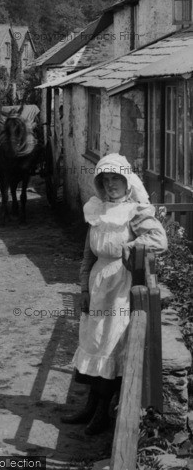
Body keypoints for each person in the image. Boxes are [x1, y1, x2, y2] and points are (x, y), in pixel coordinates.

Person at [61, 153, 167, 435]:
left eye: (116, 179)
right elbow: (86, 257)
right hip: (98, 285)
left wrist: (130, 249)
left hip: (121, 287)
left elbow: (158, 239)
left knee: (110, 346)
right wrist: (83, 289)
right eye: (105, 180)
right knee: (94, 344)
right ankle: (89, 407)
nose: (111, 185)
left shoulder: (136, 211)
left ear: (127, 181)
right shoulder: (96, 210)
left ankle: (103, 414)